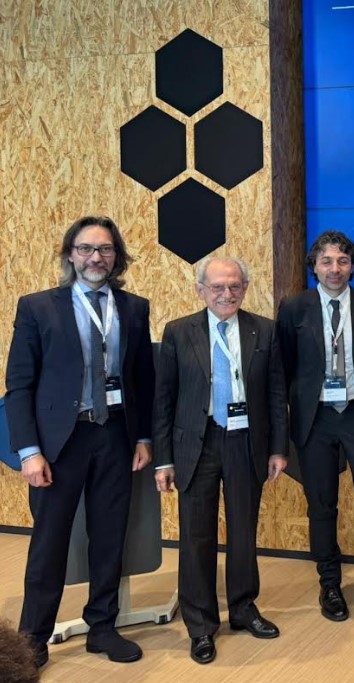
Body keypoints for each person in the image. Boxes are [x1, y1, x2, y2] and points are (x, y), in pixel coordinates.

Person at [6, 216, 154, 670]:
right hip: (59, 444)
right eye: (87, 248)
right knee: (49, 542)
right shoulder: (38, 307)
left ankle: (103, 627)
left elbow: (142, 379)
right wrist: (29, 451)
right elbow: (19, 385)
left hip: (115, 436)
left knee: (109, 537)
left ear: (116, 256)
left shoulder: (134, 307)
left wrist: (142, 436)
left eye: (105, 249)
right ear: (70, 254)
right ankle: (32, 639)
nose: (96, 257)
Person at [153, 256, 288, 665]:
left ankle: (243, 608)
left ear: (244, 288)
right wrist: (163, 459)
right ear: (201, 290)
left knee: (244, 530)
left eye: (234, 286)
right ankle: (200, 625)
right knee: (196, 537)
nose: (226, 294)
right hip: (197, 443)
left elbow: (276, 394)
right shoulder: (179, 332)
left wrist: (278, 448)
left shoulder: (264, 330)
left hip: (247, 442)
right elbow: (163, 400)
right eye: (217, 287)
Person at [275, 230, 354, 622]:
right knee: (322, 504)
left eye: (342, 261)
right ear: (314, 266)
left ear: (353, 267)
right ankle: (329, 582)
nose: (334, 269)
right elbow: (284, 368)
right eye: (326, 261)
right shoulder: (294, 308)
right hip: (315, 418)